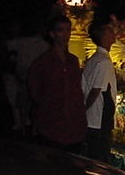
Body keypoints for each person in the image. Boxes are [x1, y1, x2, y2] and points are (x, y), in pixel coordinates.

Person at [26, 15, 88, 154]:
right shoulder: (43, 62)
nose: (65, 35)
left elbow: (76, 91)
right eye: (61, 30)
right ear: (52, 34)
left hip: (73, 127)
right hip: (51, 126)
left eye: (68, 30)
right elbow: (35, 92)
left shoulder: (72, 61)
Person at [3, 17, 49, 136]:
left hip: (27, 78)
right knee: (26, 103)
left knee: (25, 104)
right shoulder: (40, 44)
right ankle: (27, 127)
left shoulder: (37, 44)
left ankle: (25, 127)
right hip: (27, 78)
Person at [81, 19, 117, 163]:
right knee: (99, 157)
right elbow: (97, 90)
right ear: (103, 37)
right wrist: (84, 109)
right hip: (99, 117)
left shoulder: (94, 59)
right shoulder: (104, 62)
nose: (113, 33)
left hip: (92, 117)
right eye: (109, 31)